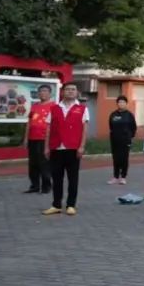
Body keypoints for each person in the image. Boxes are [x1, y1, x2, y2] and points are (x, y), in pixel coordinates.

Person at [43, 83, 89, 216]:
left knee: (73, 179)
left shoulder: (82, 109)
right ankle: (56, 205)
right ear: (62, 92)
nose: (70, 91)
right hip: (56, 147)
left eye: (73, 89)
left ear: (77, 92)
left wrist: (82, 146)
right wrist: (46, 147)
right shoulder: (54, 108)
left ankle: (71, 205)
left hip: (73, 148)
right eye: (67, 89)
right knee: (56, 178)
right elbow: (48, 129)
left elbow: (84, 129)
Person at [21, 84, 55, 195]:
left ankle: (46, 187)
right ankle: (34, 186)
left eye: (45, 91)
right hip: (32, 138)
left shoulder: (54, 106)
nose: (42, 93)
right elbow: (29, 122)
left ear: (50, 93)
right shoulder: (34, 106)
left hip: (45, 139)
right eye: (40, 91)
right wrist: (26, 138)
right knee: (33, 163)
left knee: (44, 163)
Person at [108, 95, 137, 185]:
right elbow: (111, 126)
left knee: (124, 158)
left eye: (123, 102)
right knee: (116, 158)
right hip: (115, 140)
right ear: (117, 104)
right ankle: (115, 177)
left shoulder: (129, 115)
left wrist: (130, 137)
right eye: (119, 102)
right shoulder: (113, 114)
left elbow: (133, 127)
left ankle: (123, 177)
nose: (121, 104)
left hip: (125, 140)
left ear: (126, 104)